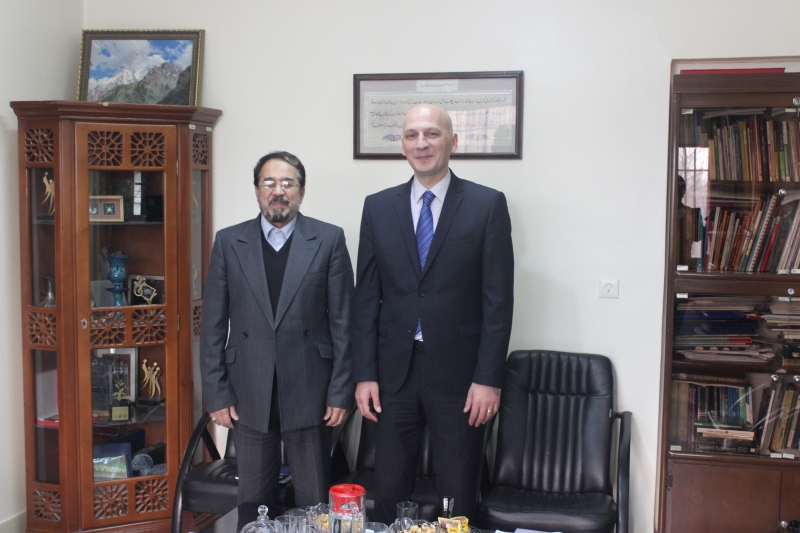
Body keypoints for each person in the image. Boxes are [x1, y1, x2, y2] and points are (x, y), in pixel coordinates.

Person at [352, 104, 514, 522]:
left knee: (457, 494)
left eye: (432, 133)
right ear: (402, 146)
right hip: (393, 375)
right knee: (389, 492)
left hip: (461, 379)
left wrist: (488, 379)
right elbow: (366, 299)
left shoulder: (486, 205)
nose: (421, 143)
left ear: (452, 142)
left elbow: (498, 302)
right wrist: (365, 374)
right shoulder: (377, 207)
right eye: (412, 135)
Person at [200, 151, 353, 529]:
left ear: (302, 191)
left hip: (311, 389)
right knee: (253, 503)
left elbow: (345, 324)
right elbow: (213, 325)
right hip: (249, 391)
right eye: (269, 183)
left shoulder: (328, 239)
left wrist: (340, 392)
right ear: (257, 190)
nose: (278, 191)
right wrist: (217, 394)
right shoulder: (229, 241)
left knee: (314, 504)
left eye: (288, 183)